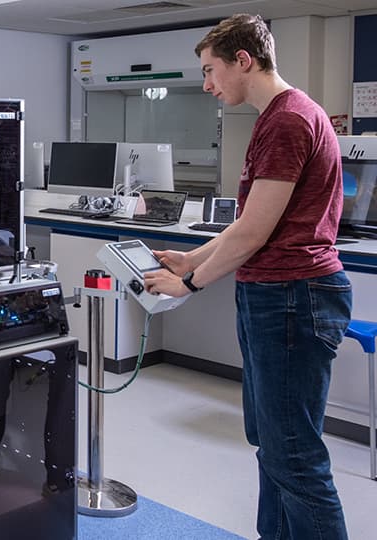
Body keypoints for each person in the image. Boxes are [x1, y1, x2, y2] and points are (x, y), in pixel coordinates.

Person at [143, 14, 352, 539]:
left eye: (211, 70)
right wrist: (193, 259)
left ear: (244, 60)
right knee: (274, 446)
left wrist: (190, 285)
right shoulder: (281, 116)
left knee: (295, 456)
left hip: (292, 296)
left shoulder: (286, 121)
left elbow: (255, 232)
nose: (208, 85)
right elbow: (247, 224)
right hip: (275, 294)